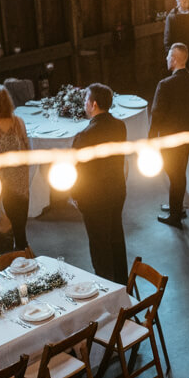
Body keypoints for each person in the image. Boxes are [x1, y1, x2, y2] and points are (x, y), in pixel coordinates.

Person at [71, 83, 128, 283]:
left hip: (95, 198)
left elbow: (77, 172)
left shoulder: (84, 136)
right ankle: (122, 281)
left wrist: (76, 196)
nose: (84, 104)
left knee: (99, 243)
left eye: (86, 100)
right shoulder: (120, 126)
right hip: (117, 190)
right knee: (116, 236)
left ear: (93, 104)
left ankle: (106, 285)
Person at [150, 43, 189, 227]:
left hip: (169, 139)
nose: (166, 59)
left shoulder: (165, 85)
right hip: (187, 135)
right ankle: (176, 207)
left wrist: (150, 140)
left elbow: (156, 115)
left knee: (175, 175)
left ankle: (175, 216)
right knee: (179, 172)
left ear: (173, 60)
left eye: (168, 56)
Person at [0, 84, 31, 251]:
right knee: (20, 219)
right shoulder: (19, 122)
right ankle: (22, 246)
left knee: (12, 216)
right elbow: (27, 148)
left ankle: (19, 249)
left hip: (5, 182)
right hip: (21, 178)